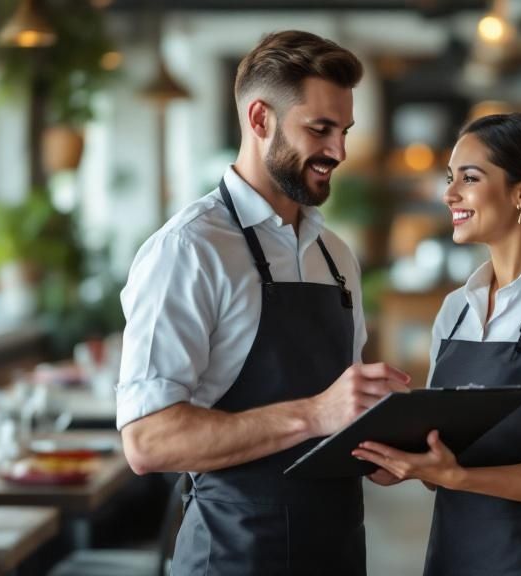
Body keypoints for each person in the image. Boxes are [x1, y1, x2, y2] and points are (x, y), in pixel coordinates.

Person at [116, 30, 411, 575]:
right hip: (234, 556)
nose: (339, 152)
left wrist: (383, 443)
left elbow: (339, 415)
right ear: (259, 120)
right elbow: (148, 440)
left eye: (344, 131)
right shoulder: (189, 250)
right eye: (319, 129)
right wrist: (315, 413)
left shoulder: (336, 255)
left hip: (338, 552)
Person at [354, 113, 521, 575]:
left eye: (470, 178)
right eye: (449, 178)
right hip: (453, 554)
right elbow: (444, 466)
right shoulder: (456, 308)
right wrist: (397, 451)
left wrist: (459, 477)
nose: (449, 194)